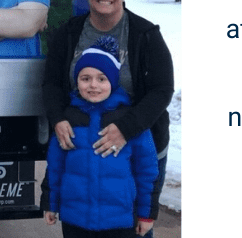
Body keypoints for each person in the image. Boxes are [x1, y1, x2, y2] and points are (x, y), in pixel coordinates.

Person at [42, 0, 174, 236]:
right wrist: (57, 119)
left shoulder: (145, 34)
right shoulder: (69, 33)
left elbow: (162, 89)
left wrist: (126, 129)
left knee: (136, 227)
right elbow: (52, 84)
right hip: (82, 149)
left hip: (139, 147)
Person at [45, 37, 158, 237]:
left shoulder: (128, 121)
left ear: (113, 81)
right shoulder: (68, 119)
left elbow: (146, 170)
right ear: (77, 81)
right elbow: (55, 166)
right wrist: (50, 203)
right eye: (85, 78)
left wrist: (146, 214)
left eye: (101, 78)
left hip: (119, 221)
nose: (93, 85)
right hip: (75, 219)